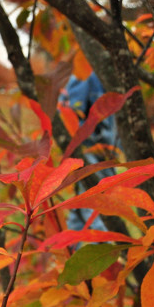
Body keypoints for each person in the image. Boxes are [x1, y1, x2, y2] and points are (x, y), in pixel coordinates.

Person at [59, 72, 120, 233]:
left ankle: (67, 251)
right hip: (90, 152)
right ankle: (100, 253)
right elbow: (67, 114)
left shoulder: (110, 74)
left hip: (107, 152)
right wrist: (92, 137)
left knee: (82, 208)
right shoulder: (85, 75)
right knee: (97, 209)